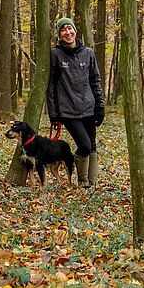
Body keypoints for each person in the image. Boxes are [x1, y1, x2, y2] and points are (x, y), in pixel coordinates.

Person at [46, 17, 105, 188]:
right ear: (59, 34)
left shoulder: (88, 53)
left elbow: (95, 80)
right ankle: (81, 180)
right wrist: (54, 114)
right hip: (68, 111)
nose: (67, 33)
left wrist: (100, 106)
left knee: (92, 146)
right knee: (84, 146)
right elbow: (51, 87)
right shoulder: (55, 54)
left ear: (75, 31)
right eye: (63, 30)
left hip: (89, 107)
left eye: (69, 28)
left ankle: (91, 184)